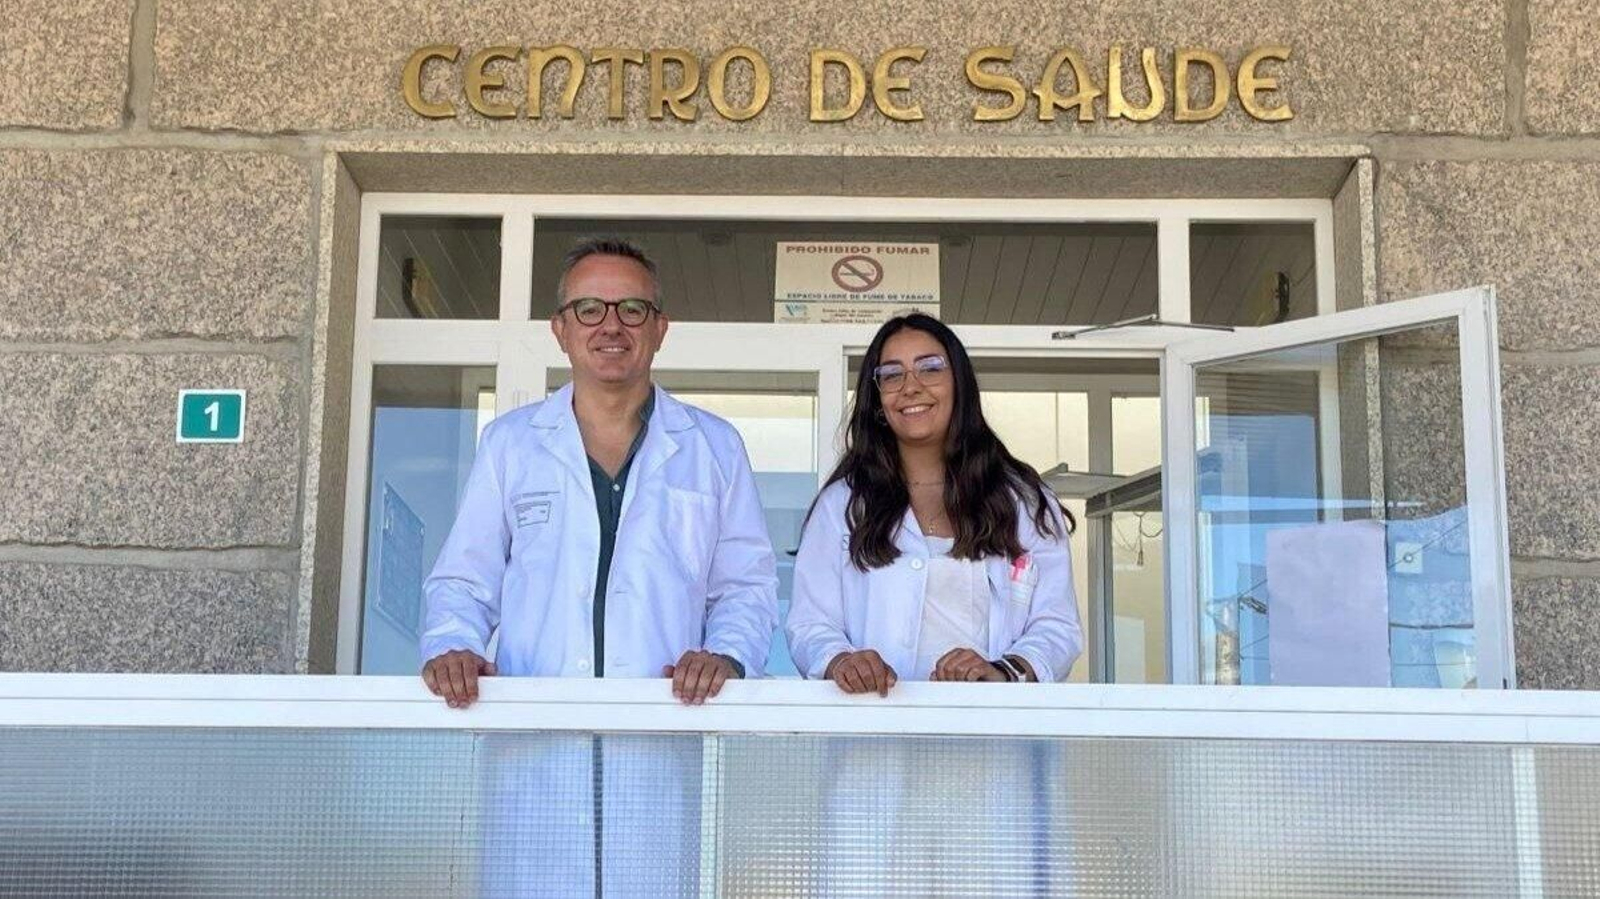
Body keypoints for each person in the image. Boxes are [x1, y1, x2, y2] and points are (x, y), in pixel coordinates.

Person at [419, 236, 780, 705]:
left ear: (660, 329)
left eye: (632, 309)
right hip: (534, 742)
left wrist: (726, 655)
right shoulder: (510, 443)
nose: (611, 326)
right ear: (560, 329)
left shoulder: (715, 447)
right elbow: (465, 581)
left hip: (664, 734)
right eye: (589, 309)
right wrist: (455, 648)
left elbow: (745, 585)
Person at [786, 312, 1082, 692]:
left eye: (930, 368)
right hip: (873, 739)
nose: (910, 386)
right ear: (877, 400)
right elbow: (810, 623)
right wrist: (842, 660)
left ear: (959, 383)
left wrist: (1003, 670)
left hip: (992, 739)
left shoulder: (1023, 500)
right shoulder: (843, 504)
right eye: (892, 374)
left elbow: (1057, 625)